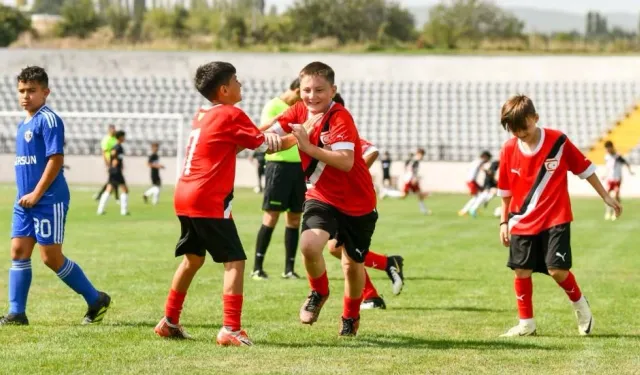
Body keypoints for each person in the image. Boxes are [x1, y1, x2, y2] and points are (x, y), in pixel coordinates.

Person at [153, 61, 283, 346]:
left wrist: (273, 126)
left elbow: (240, 140)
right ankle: (231, 329)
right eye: (236, 80)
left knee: (193, 259)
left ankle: (169, 321)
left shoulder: (205, 114)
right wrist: (303, 133)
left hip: (185, 194)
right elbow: (270, 144)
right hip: (207, 198)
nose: (241, 84)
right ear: (224, 89)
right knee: (234, 260)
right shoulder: (232, 113)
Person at [266, 62, 378, 336]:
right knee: (309, 244)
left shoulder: (341, 117)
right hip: (322, 195)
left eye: (319, 90)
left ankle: (350, 317)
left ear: (332, 91)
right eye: (306, 90)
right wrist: (248, 139)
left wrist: (307, 147)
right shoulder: (298, 111)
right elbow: (269, 133)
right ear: (299, 91)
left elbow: (346, 162)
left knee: (352, 264)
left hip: (358, 203)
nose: (312, 96)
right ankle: (319, 291)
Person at [497, 95, 621, 337]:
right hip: (521, 220)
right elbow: (506, 191)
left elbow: (585, 169)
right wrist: (503, 221)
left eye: (525, 127)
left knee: (557, 270)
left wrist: (606, 196)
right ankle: (526, 323)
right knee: (521, 271)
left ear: (535, 118)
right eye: (514, 130)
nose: (520, 133)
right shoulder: (508, 149)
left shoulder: (558, 141)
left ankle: (581, 306)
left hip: (556, 217)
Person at [1, 66, 111, 326]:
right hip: (25, 201)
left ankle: (95, 298)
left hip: (49, 199)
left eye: (32, 91)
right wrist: (26, 195)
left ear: (45, 92)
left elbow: (56, 159)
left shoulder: (49, 119)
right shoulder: (22, 124)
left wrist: (37, 193)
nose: (26, 96)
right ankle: (17, 313)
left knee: (51, 257)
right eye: (21, 91)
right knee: (18, 251)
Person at [251, 78, 304, 280]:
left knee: (294, 218)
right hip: (278, 167)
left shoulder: (299, 107)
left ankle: (289, 269)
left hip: (299, 168)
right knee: (271, 216)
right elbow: (265, 134)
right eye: (303, 93)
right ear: (297, 90)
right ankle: (257, 267)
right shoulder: (274, 106)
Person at [96, 131, 129, 216]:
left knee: (109, 189)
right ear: (120, 137)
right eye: (123, 137)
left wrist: (110, 167)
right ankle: (124, 211)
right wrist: (114, 166)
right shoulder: (118, 147)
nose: (124, 138)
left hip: (113, 171)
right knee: (124, 190)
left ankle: (100, 210)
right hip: (116, 171)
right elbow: (114, 158)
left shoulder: (116, 147)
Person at [602, 140, 633, 221]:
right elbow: (608, 167)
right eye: (606, 149)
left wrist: (630, 171)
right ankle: (608, 211)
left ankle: (616, 212)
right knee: (606, 196)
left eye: (608, 148)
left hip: (617, 179)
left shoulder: (617, 156)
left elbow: (626, 163)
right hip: (610, 179)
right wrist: (605, 175)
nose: (607, 150)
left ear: (612, 147)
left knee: (616, 195)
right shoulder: (607, 157)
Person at [458, 151, 491, 216]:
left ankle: (470, 209)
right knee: (477, 196)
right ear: (485, 157)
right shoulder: (479, 161)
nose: (488, 161)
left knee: (479, 195)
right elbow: (482, 168)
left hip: (471, 180)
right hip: (471, 181)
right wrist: (488, 172)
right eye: (488, 159)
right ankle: (466, 210)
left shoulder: (475, 161)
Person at [400, 148, 431, 215]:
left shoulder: (414, 160)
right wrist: (414, 178)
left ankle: (424, 210)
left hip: (411, 178)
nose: (422, 156)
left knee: (419, 194)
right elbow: (412, 169)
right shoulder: (415, 160)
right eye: (421, 155)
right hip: (410, 179)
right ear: (418, 154)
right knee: (403, 196)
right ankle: (387, 192)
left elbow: (407, 167)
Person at [94, 124, 119, 202]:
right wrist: (107, 164)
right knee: (114, 179)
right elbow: (104, 152)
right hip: (110, 161)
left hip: (116, 161)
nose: (114, 131)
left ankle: (100, 195)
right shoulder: (106, 139)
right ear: (109, 130)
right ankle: (116, 197)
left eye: (114, 129)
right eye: (112, 129)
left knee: (113, 180)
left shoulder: (115, 139)